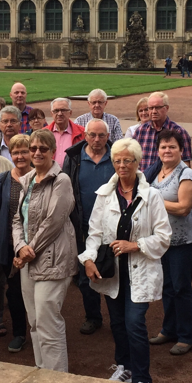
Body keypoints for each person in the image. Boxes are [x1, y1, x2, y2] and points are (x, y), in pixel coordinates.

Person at [81, 137, 171, 383]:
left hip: (140, 270)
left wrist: (136, 245)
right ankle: (125, 367)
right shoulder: (105, 194)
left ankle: (143, 377)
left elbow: (164, 237)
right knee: (118, 323)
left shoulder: (152, 196)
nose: (122, 165)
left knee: (134, 323)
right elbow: (94, 233)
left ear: (137, 162)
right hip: (113, 272)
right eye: (117, 161)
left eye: (127, 160)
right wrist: (89, 259)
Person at [11, 129, 78, 371]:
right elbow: (18, 219)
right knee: (35, 321)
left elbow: (54, 221)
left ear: (53, 151)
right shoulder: (27, 179)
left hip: (53, 258)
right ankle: (42, 369)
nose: (37, 153)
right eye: (33, 149)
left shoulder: (61, 180)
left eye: (43, 149)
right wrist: (19, 248)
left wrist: (29, 248)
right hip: (28, 259)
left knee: (49, 321)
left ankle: (57, 378)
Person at [147, 129, 192, 356]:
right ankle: (169, 329)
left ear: (181, 150)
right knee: (167, 287)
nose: (167, 151)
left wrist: (154, 200)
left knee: (180, 288)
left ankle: (186, 336)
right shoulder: (156, 173)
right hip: (161, 241)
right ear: (157, 151)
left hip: (181, 241)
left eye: (172, 147)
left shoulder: (186, 174)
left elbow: (183, 208)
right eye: (163, 147)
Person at [63, 119, 114, 336]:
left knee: (114, 272)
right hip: (83, 225)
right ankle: (93, 316)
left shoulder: (115, 156)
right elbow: (65, 187)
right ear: (85, 136)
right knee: (86, 275)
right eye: (92, 135)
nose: (97, 140)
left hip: (112, 225)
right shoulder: (73, 158)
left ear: (108, 137)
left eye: (101, 135)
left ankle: (117, 319)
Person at [0, 134, 31, 353]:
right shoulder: (3, 179)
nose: (20, 156)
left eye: (24, 151)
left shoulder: (39, 177)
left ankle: (41, 331)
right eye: (15, 152)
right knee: (14, 292)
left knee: (35, 293)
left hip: (35, 247)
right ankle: (20, 333)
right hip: (8, 246)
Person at [133, 92, 192, 172]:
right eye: (150, 108)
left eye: (157, 107)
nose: (153, 111)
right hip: (144, 181)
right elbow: (133, 159)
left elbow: (185, 163)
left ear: (166, 108)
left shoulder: (179, 132)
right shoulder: (140, 131)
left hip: (167, 181)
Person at [46, 97, 85, 166]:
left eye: (63, 110)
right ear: (51, 113)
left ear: (70, 113)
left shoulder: (82, 133)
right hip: (49, 174)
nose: (60, 114)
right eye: (56, 111)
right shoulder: (44, 133)